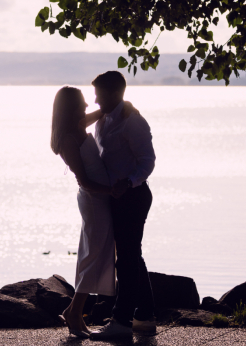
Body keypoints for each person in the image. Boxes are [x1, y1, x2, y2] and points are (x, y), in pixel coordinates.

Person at [50, 86, 136, 338]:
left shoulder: (77, 126)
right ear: (71, 107)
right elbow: (84, 181)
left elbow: (98, 113)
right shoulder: (67, 139)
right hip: (94, 200)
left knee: (96, 252)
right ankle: (74, 312)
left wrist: (121, 105)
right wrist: (111, 191)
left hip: (101, 198)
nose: (87, 105)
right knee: (94, 254)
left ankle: (73, 311)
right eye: (82, 102)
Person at [83, 71, 156, 340]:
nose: (95, 100)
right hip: (116, 197)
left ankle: (122, 320)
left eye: (99, 95)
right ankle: (145, 316)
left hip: (133, 196)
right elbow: (78, 122)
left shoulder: (132, 122)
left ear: (114, 94)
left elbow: (147, 160)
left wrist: (129, 182)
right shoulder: (106, 117)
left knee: (125, 259)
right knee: (131, 255)